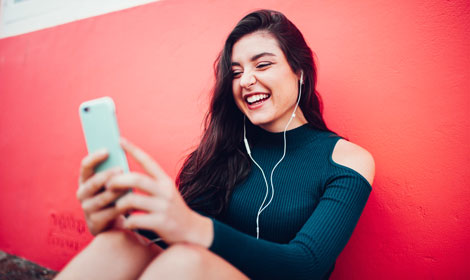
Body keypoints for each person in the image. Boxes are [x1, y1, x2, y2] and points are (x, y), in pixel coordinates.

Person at [56, 9, 374, 280]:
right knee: (122, 243)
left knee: (186, 261)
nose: (245, 80)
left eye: (262, 65)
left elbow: (307, 265)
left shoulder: (347, 160)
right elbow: (174, 238)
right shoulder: (224, 149)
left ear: (299, 72)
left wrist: (195, 228)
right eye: (236, 72)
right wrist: (122, 225)